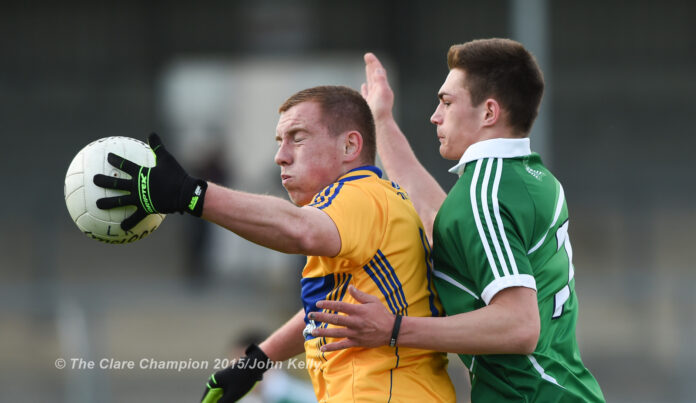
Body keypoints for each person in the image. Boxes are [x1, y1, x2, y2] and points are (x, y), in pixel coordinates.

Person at [92, 86, 455, 402]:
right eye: (279, 142)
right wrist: (258, 360)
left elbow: (300, 230)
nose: (281, 155)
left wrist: (191, 194)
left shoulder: (359, 195)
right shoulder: (368, 205)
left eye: (297, 137)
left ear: (350, 145)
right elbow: (332, 312)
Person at [309, 39, 606, 402]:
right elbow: (443, 219)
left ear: (488, 113)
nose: (435, 115)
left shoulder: (485, 194)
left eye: (447, 102)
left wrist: (394, 329)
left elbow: (519, 325)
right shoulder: (528, 178)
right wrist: (382, 120)